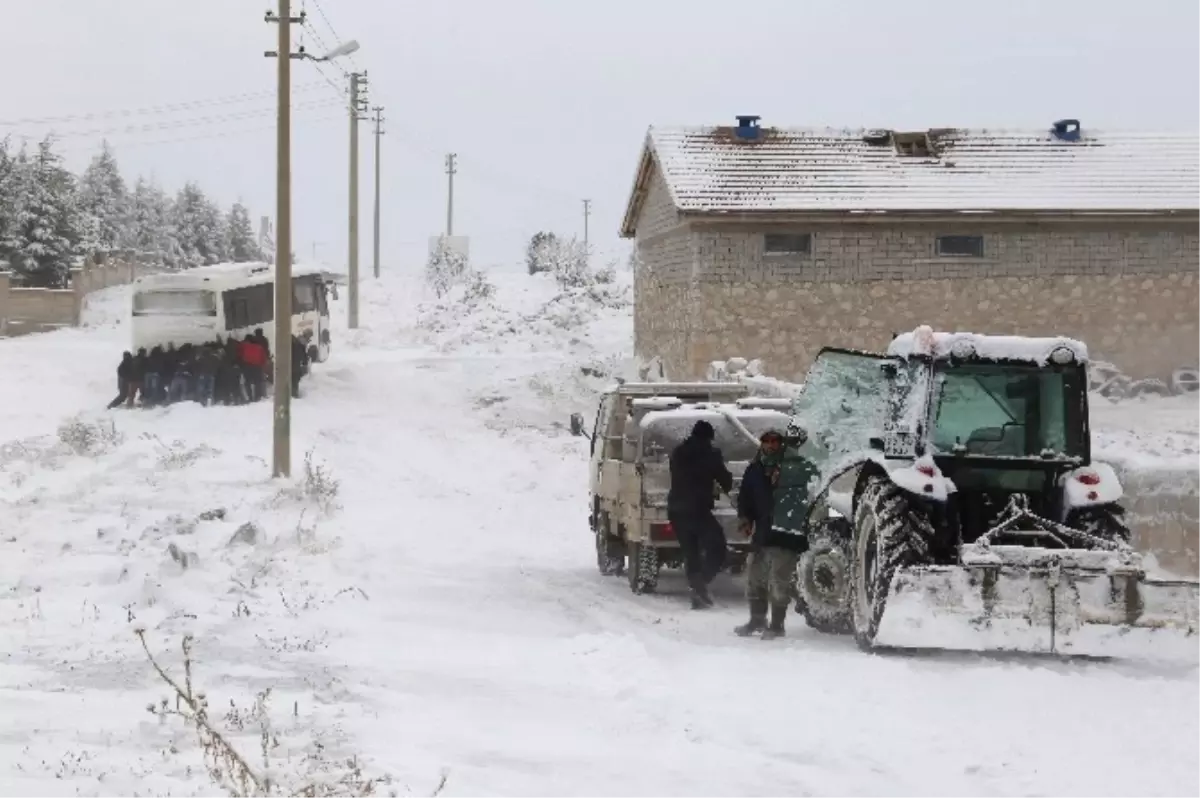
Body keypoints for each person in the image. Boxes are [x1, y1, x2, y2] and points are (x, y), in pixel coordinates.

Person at [734, 429, 808, 640]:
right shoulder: (755, 468)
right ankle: (757, 620)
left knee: (779, 581)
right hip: (762, 533)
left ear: (781, 444)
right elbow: (745, 496)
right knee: (755, 577)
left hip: (786, 533)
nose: (771, 445)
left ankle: (777, 625)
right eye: (766, 441)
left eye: (775, 441)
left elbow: (803, 497)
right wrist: (745, 518)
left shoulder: (794, 467)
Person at [667, 420, 734, 610]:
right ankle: (701, 582)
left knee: (691, 552)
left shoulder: (678, 452)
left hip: (676, 510)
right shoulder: (711, 454)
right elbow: (726, 481)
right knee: (717, 546)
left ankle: (697, 592)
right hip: (697, 510)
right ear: (709, 437)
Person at [290, 332, 310, 398]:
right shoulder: (299, 345)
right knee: (295, 381)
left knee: (291, 380)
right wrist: (305, 363)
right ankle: (294, 394)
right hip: (296, 366)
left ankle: (292, 394)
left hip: (289, 366)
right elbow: (303, 356)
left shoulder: (288, 345)